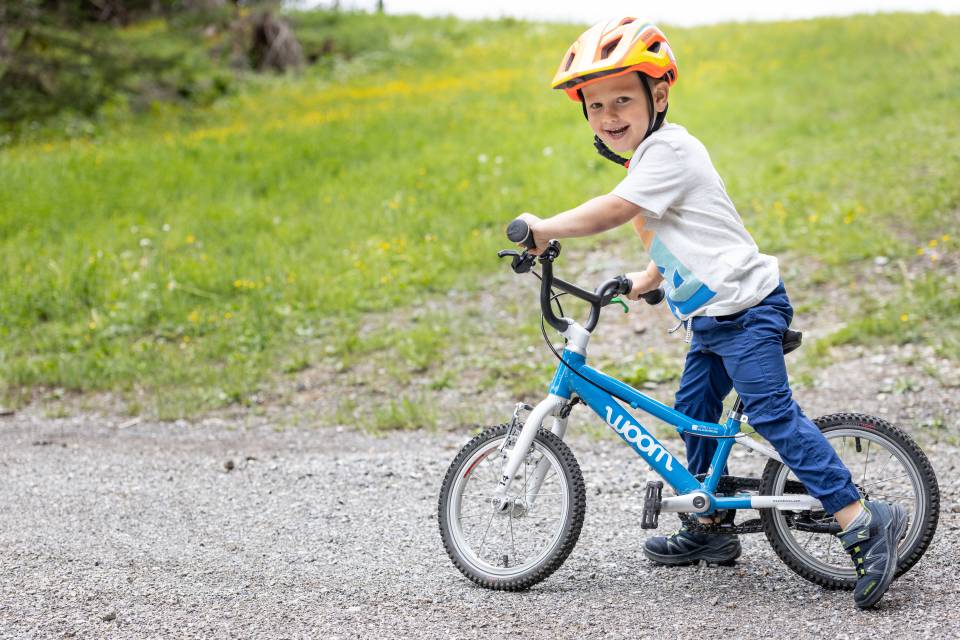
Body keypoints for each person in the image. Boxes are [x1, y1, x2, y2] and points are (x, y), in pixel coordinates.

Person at [514, 16, 906, 609]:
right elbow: (683, 236)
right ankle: (710, 527)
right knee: (694, 411)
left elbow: (616, 211)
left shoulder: (670, 149)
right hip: (713, 321)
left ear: (659, 95)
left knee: (773, 416)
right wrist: (645, 280)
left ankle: (859, 517)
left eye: (623, 99)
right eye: (596, 106)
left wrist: (544, 226)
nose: (610, 115)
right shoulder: (645, 162)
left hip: (749, 311)